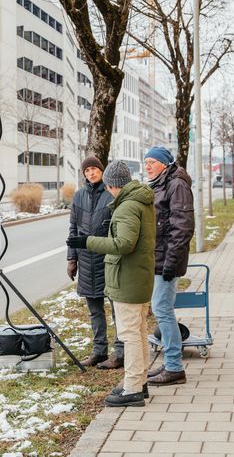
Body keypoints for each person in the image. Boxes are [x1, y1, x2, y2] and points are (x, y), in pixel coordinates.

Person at [67, 160, 156, 408]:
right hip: (138, 275)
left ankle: (133, 389)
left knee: (130, 335)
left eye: (108, 185)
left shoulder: (127, 206)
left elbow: (124, 244)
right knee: (138, 331)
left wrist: (89, 242)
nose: (107, 190)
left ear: (114, 184)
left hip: (128, 278)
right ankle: (139, 381)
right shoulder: (141, 201)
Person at [142, 146, 193, 386]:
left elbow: (182, 228)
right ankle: (171, 363)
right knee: (162, 308)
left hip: (167, 260)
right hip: (159, 258)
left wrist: (170, 263)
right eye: (146, 162)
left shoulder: (176, 185)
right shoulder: (161, 184)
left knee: (162, 308)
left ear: (165, 163)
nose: (148, 166)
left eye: (152, 161)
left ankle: (174, 367)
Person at [66, 156, 123, 369]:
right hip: (86, 260)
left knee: (117, 307)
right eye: (87, 170)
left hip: (108, 259)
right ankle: (99, 351)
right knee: (94, 309)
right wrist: (72, 258)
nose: (91, 173)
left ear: (102, 170)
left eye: (94, 169)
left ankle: (121, 351)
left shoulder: (112, 193)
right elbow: (73, 230)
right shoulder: (79, 196)